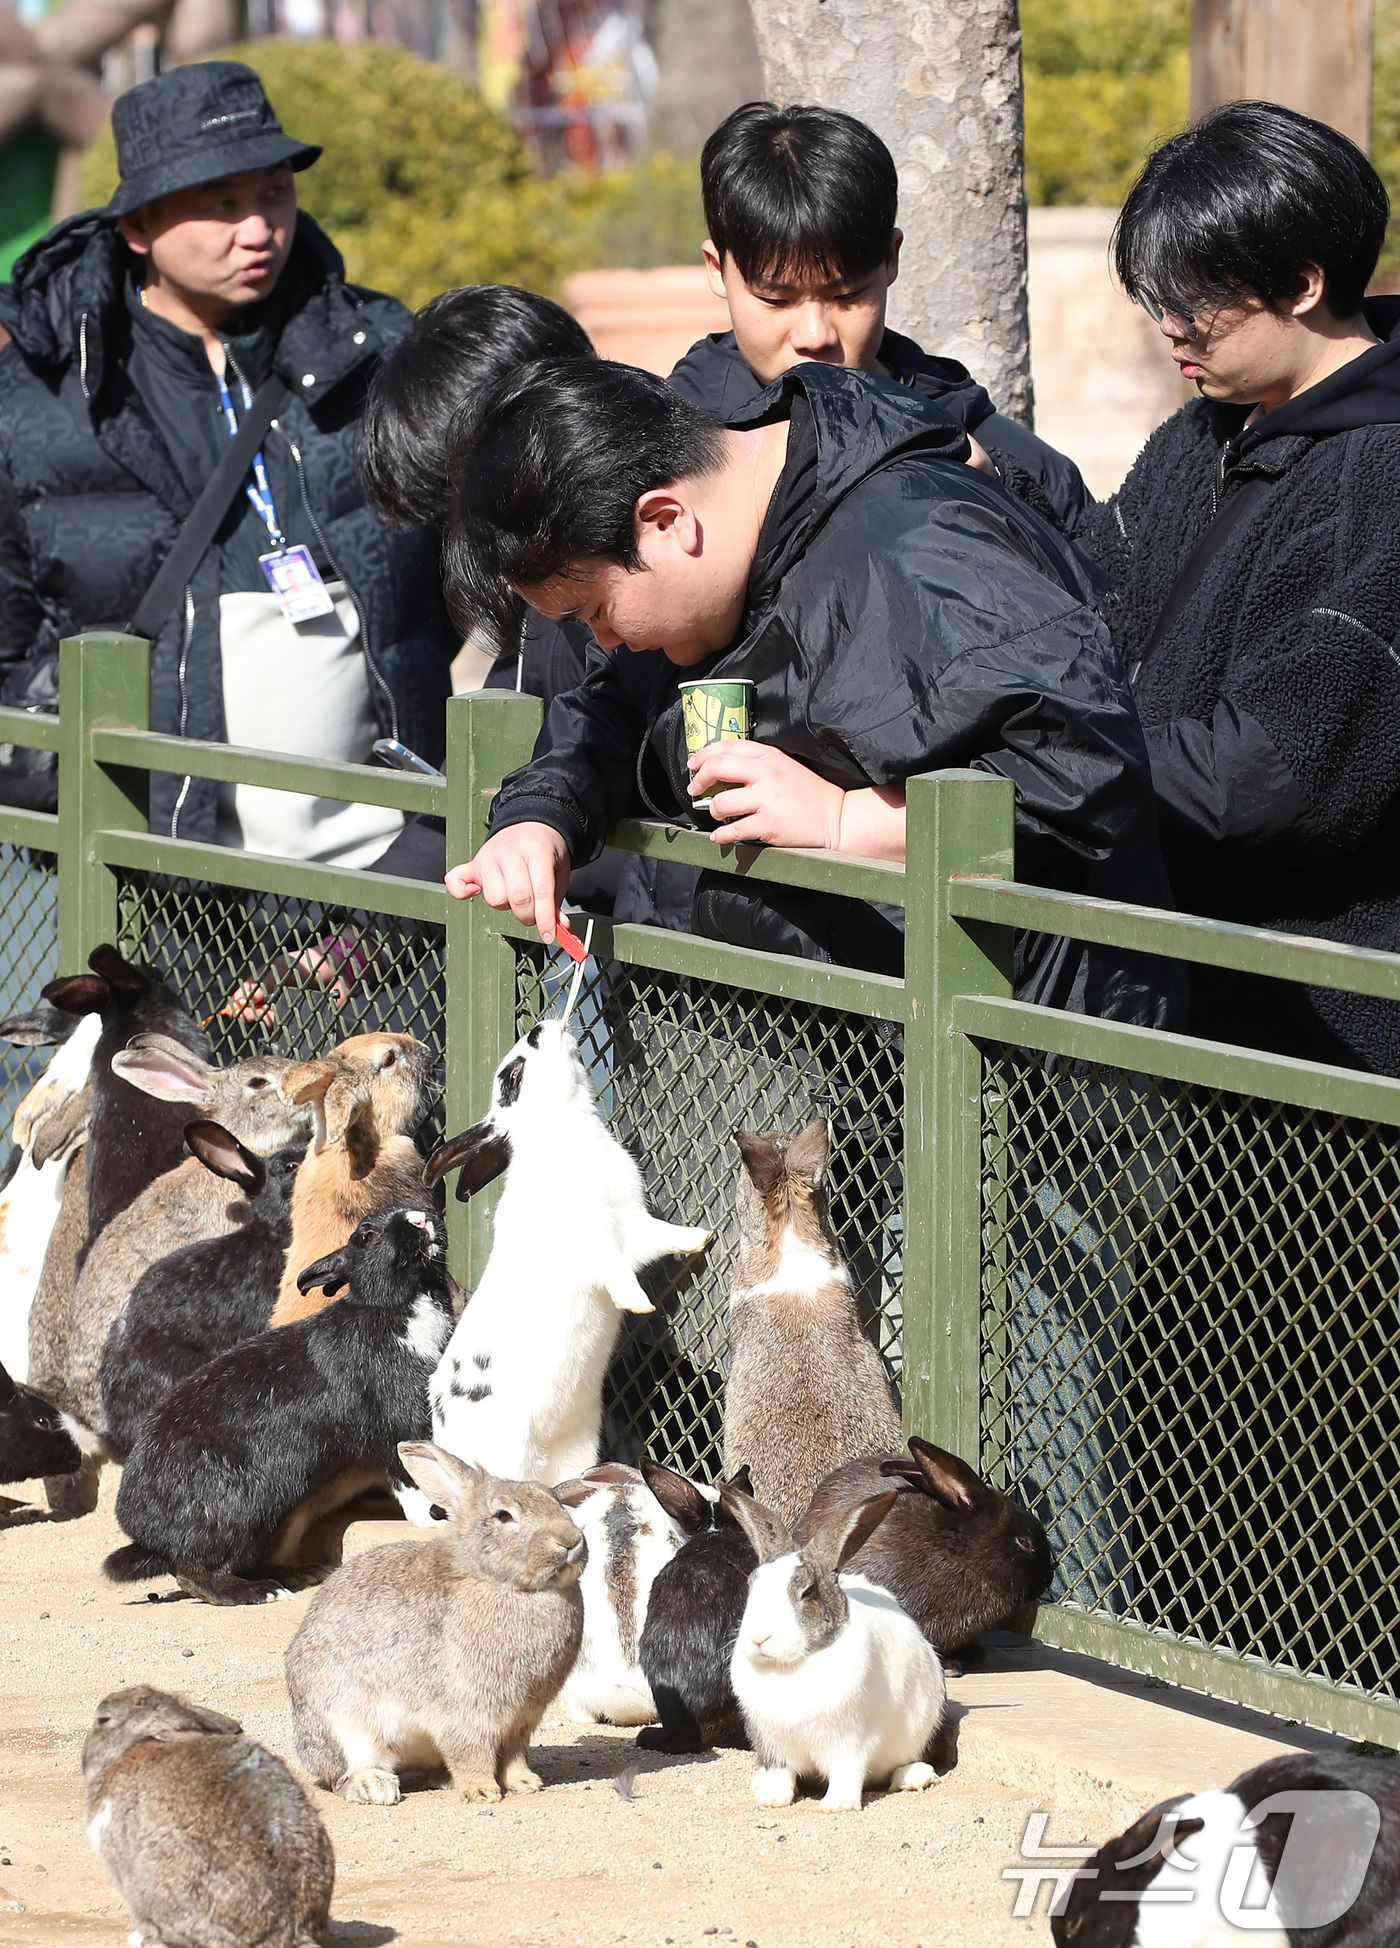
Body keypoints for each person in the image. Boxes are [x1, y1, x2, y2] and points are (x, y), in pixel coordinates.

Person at [441, 356, 1182, 1024]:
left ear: (666, 521)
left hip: (1028, 1069)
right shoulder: (732, 552)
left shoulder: (918, 546)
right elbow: (612, 711)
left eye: (596, 611)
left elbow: (1087, 771)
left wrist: (841, 821)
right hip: (857, 1053)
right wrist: (537, 819)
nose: (601, 640)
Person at [0, 59, 458, 864]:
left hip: (385, 863)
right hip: (149, 868)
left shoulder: (379, 352)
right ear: (137, 226)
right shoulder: (43, 391)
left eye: (275, 192)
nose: (258, 228)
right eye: (220, 204)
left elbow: (471, 574)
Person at [1080, 100, 1400, 1073]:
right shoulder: (1197, 435)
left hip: (1318, 1035)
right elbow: (1087, 614)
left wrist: (1047, 776)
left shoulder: (1380, 474)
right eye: (1156, 297)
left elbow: (1269, 775)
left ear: (1303, 282)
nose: (1168, 327)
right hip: (1164, 992)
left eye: (1195, 301)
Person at [669, 100, 1088, 531]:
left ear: (891, 258)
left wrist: (1001, 495)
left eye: (846, 295)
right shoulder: (670, 451)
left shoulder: (971, 438)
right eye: (776, 300)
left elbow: (1090, 542)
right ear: (717, 269)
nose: (815, 335)